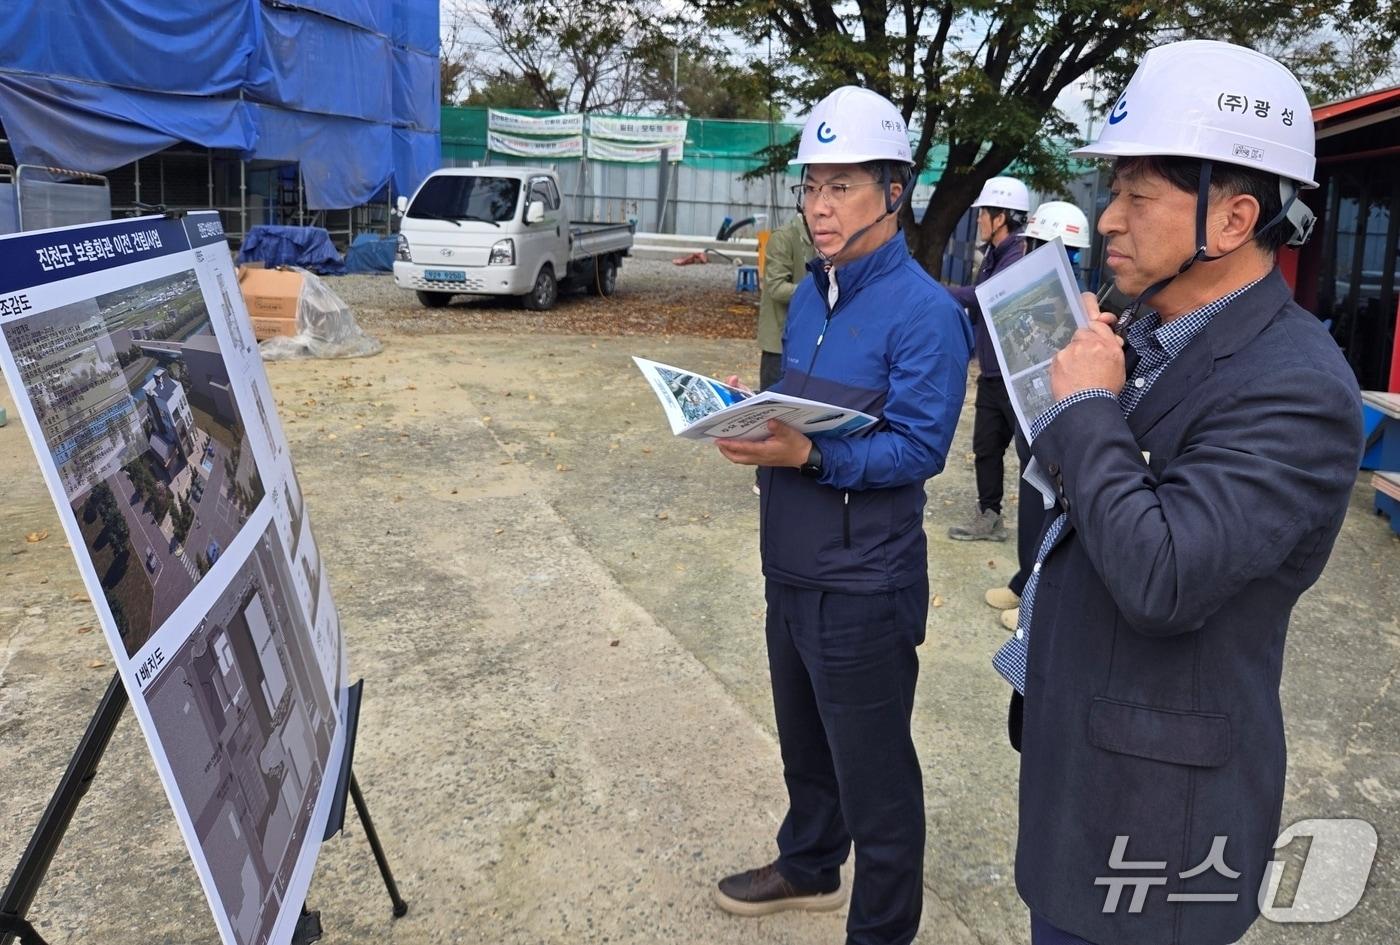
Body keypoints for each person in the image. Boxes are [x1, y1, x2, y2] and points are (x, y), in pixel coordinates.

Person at [991, 40, 1362, 945]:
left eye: (1136, 195)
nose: (1106, 219)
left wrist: (1085, 404)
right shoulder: (1152, 333)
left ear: (1233, 220)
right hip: (1086, 768)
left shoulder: (1297, 383)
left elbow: (1163, 577)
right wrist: (1080, 382)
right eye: (1111, 189)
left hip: (1158, 821)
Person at [709, 85, 973, 945]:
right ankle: (811, 862)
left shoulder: (928, 314)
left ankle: (881, 930)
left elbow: (917, 451)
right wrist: (757, 411)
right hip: (791, 560)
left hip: (863, 584)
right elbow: (812, 404)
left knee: (879, 782)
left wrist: (812, 454)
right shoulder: (817, 292)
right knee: (805, 745)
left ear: (893, 192)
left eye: (843, 186)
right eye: (811, 186)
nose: (820, 207)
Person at [985, 200, 1094, 630]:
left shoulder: (1080, 302)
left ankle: (1035, 602)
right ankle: (1022, 577)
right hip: (1031, 423)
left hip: (1057, 426)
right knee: (1031, 506)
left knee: (1048, 510)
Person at [946, 175, 1030, 542]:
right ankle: (990, 515)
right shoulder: (993, 255)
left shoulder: (1019, 253)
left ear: (1003, 217)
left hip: (1018, 374)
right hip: (993, 373)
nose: (979, 219)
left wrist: (943, 292)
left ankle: (1041, 527)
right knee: (985, 447)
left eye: (984, 213)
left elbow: (986, 296)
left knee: (1031, 455)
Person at [752, 213, 816, 494]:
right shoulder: (784, 236)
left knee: (796, 410)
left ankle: (787, 468)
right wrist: (820, 288)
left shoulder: (822, 236)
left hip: (804, 339)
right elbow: (776, 287)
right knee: (769, 409)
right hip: (778, 340)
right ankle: (762, 476)